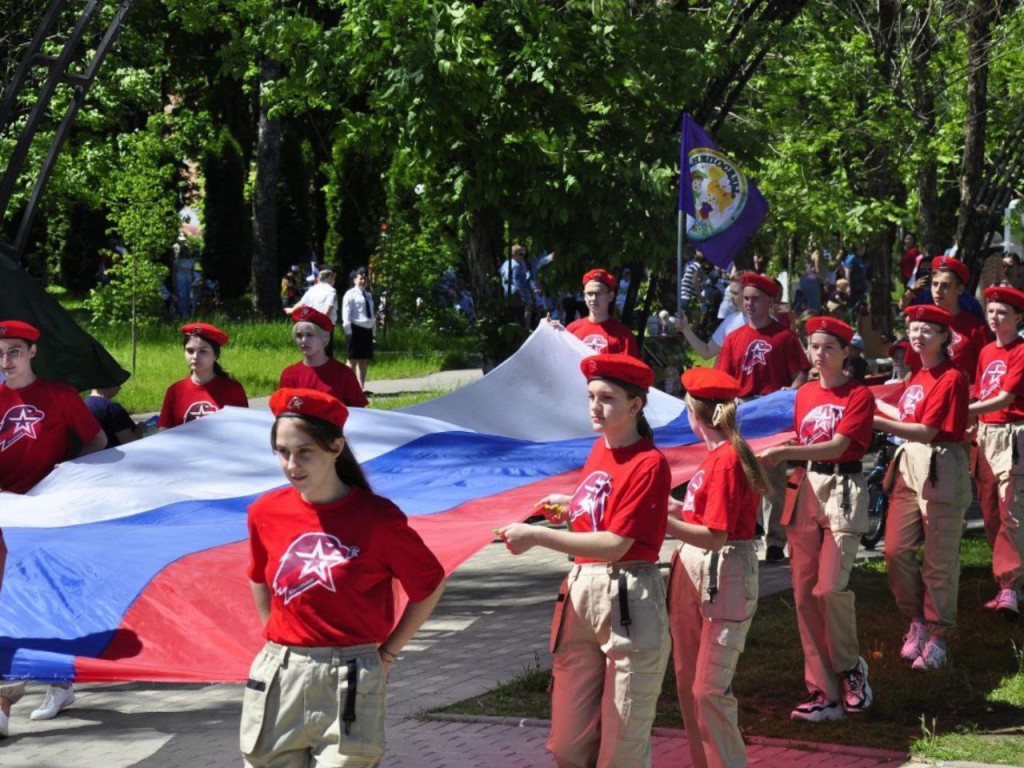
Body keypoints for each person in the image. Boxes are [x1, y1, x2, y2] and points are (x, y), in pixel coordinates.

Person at [241, 388, 445, 767]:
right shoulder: (264, 512)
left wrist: (388, 653)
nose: (291, 464)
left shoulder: (378, 519)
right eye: (282, 452)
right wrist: (275, 637)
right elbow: (258, 576)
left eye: (305, 452)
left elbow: (428, 584)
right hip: (278, 675)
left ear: (336, 447)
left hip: (351, 677)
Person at [498, 354, 671, 768]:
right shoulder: (599, 448)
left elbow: (616, 543)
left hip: (629, 597)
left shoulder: (649, 463)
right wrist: (570, 505)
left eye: (607, 398)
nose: (594, 406)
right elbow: (601, 509)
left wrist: (538, 535)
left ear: (635, 405)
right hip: (581, 595)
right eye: (591, 396)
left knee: (622, 749)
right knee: (568, 746)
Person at [758, 317, 875, 722]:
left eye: (828, 347)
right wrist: (785, 447)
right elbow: (805, 439)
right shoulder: (804, 393)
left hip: (843, 491)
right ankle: (821, 692)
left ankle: (850, 669)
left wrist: (788, 454)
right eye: (813, 346)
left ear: (846, 352)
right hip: (805, 489)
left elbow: (841, 445)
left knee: (829, 589)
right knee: (805, 595)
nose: (819, 354)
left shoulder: (859, 394)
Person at [0, 320, 108, 737]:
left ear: (32, 353)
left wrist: (72, 474)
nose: (5, 360)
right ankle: (12, 694)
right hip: (5, 514)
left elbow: (97, 441)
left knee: (46, 601)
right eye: (0, 352)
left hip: (48, 513)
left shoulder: (59, 396)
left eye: (14, 351)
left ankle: (57, 684)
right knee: (9, 602)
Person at [667, 367, 768, 768]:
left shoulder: (725, 459)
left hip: (723, 571)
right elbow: (699, 514)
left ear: (696, 414)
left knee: (708, 689)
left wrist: (658, 520)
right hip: (700, 569)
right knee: (690, 684)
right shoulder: (715, 456)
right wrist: (671, 508)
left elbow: (715, 535)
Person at [874, 305, 971, 670]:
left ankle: (939, 635)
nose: (917, 335)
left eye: (927, 330)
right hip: (909, 463)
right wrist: (882, 407)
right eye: (914, 329)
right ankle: (916, 621)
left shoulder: (952, 377)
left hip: (940, 464)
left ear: (945, 337)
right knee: (896, 550)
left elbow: (928, 430)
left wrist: (875, 423)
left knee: (939, 558)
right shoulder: (918, 376)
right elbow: (910, 419)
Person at [715, 272, 811, 562]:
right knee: (741, 476)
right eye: (745, 299)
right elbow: (722, 378)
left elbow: (800, 373)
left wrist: (789, 394)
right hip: (742, 413)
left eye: (756, 299)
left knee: (772, 480)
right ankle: (741, 531)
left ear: (770, 302)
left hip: (772, 413)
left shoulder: (784, 337)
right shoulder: (734, 339)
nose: (749, 304)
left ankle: (775, 542)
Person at [969, 286, 1024, 618]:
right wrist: (973, 425)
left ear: (1018, 317)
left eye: (1002, 312)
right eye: (991, 310)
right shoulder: (986, 351)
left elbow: (1004, 398)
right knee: (989, 513)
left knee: (1011, 511)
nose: (994, 317)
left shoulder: (1020, 350)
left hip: (1013, 435)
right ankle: (1008, 581)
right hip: (985, 434)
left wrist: (963, 410)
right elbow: (982, 391)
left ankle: (1011, 586)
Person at [903, 256, 989, 383]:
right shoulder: (921, 324)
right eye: (935, 284)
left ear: (960, 289)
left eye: (945, 286)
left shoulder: (976, 328)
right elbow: (912, 369)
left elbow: (985, 371)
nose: (938, 290)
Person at [158, 323, 248, 429]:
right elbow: (163, 432)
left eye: (203, 351)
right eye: (190, 351)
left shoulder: (234, 390)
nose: (195, 356)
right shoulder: (175, 391)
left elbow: (243, 431)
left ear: (216, 355)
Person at [280, 306, 368, 407]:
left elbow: (359, 414)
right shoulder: (290, 374)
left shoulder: (344, 374)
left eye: (309, 335)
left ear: (325, 338)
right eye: (299, 335)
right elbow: (283, 413)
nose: (303, 340)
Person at [561, 268, 640, 357]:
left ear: (611, 296)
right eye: (590, 293)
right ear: (584, 296)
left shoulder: (623, 335)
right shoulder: (571, 330)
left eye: (599, 293)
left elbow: (631, 369)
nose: (593, 298)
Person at [675, 279, 745, 360]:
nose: (731, 298)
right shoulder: (730, 321)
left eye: (735, 293)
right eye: (731, 293)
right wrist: (685, 329)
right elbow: (707, 352)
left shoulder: (760, 322)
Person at [286, 268, 339, 358]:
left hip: (311, 324)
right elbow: (327, 309)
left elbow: (301, 303)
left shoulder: (312, 289)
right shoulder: (331, 291)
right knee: (326, 353)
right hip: (325, 324)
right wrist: (324, 322)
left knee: (312, 351)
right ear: (330, 278)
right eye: (333, 278)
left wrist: (291, 310)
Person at [341, 267, 376, 390]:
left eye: (365, 279)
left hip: (367, 329)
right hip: (355, 329)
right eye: (361, 278)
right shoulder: (350, 294)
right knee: (352, 360)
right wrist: (348, 331)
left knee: (363, 360)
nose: (363, 281)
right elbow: (346, 313)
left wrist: (373, 331)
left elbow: (371, 313)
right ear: (355, 280)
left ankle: (361, 388)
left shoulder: (368, 295)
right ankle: (348, 387)